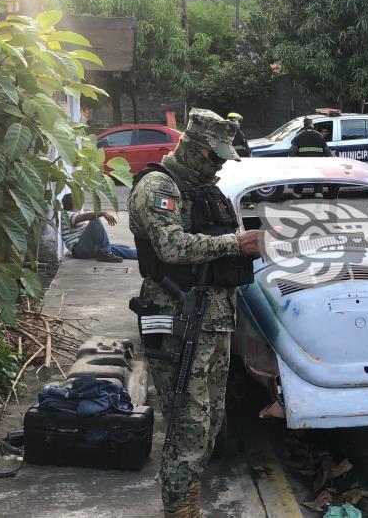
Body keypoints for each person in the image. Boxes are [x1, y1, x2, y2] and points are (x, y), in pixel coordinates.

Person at [127, 108, 261, 517]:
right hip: (178, 327)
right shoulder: (158, 186)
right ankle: (180, 512)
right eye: (214, 155)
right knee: (187, 429)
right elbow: (171, 247)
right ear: (193, 147)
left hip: (212, 324)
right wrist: (235, 245)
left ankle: (189, 506)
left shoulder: (202, 187)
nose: (220, 163)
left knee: (208, 426)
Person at [60, 195, 137, 262]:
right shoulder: (66, 215)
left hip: (86, 248)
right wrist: (102, 213)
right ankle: (106, 254)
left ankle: (144, 255)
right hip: (79, 250)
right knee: (95, 221)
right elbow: (84, 217)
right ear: (74, 203)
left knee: (120, 249)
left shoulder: (73, 214)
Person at [289, 117, 333, 198]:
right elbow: (327, 151)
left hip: (303, 165)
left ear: (305, 125)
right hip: (317, 165)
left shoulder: (298, 136)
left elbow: (292, 152)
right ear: (310, 125)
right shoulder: (319, 136)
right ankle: (318, 196)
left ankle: (296, 196)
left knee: (300, 180)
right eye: (312, 123)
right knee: (318, 180)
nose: (313, 125)